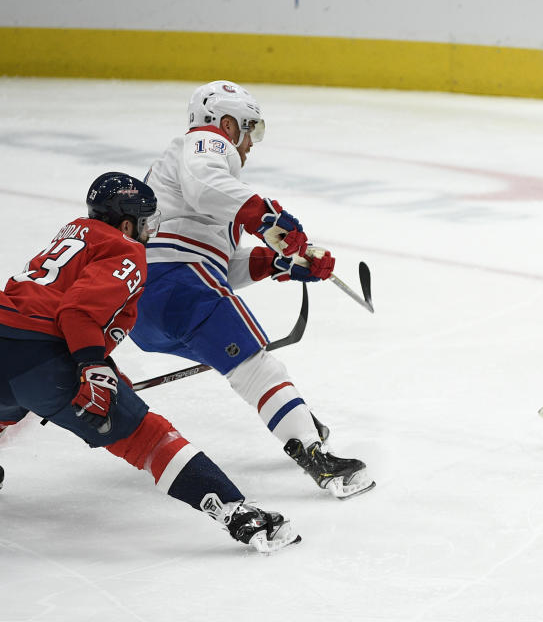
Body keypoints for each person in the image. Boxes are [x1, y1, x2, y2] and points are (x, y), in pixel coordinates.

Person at [0, 172, 300, 552]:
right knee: (149, 436)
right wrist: (92, 366)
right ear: (127, 223)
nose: (147, 231)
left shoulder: (72, 236)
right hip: (43, 356)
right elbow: (76, 314)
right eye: (144, 222)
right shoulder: (125, 248)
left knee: (7, 402)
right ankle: (237, 512)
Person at [129, 80, 374, 499]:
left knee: (241, 361)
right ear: (226, 123)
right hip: (177, 284)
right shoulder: (206, 143)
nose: (251, 144)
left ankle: (293, 417)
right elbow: (206, 191)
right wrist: (268, 218)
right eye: (250, 129)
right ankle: (314, 453)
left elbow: (217, 265)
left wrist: (283, 263)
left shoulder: (201, 193)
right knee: (256, 366)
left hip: (149, 306)